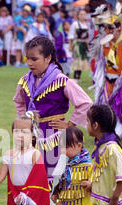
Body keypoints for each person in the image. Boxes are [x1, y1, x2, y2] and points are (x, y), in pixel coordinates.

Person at [13, 36, 93, 185]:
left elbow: (85, 102)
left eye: (34, 59)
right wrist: (25, 120)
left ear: (48, 58)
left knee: (53, 177)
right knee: (31, 176)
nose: (29, 63)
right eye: (27, 58)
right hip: (32, 136)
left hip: (54, 137)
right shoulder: (24, 80)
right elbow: (18, 101)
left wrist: (70, 124)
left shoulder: (61, 80)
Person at [92, 13, 122, 140]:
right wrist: (98, 78)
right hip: (107, 79)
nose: (108, 31)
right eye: (106, 28)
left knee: (120, 107)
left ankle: (118, 132)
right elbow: (100, 63)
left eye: (111, 28)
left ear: (119, 28)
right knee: (104, 106)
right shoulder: (103, 43)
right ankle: (106, 130)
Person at [50, 126, 93, 205]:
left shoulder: (88, 164)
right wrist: (56, 192)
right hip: (67, 204)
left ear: (79, 145)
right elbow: (60, 180)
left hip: (83, 203)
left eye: (66, 147)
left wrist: (91, 183)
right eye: (61, 148)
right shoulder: (64, 164)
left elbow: (97, 178)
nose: (63, 151)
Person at [68, 9, 90, 81]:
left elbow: (87, 37)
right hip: (77, 44)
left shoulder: (86, 24)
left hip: (83, 44)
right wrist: (70, 46)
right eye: (81, 14)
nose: (82, 16)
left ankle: (78, 76)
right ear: (78, 15)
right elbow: (70, 35)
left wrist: (88, 46)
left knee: (82, 61)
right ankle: (76, 76)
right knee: (78, 60)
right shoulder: (75, 24)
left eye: (84, 14)